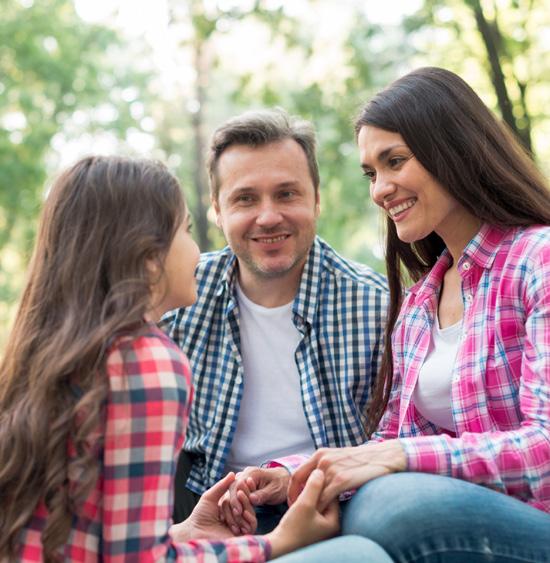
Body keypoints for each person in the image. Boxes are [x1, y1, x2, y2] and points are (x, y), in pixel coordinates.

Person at [0, 155, 391, 562]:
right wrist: (279, 542)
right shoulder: (146, 363)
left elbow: (98, 540)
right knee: (361, 555)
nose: (196, 251)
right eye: (185, 231)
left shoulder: (53, 351)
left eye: (286, 194)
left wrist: (187, 531)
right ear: (148, 254)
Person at [284, 67, 550, 561]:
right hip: (463, 526)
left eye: (395, 161)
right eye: (371, 173)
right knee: (352, 531)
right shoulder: (419, 304)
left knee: (397, 509)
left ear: (453, 149)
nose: (379, 190)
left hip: (535, 521)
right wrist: (291, 477)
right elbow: (393, 439)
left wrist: (399, 457)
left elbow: (545, 448)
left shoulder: (539, 260)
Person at [161, 108, 389, 532]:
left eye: (286, 194)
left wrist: (295, 476)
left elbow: (397, 443)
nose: (268, 217)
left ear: (316, 200)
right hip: (201, 504)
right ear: (217, 210)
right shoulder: (179, 295)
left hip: (330, 508)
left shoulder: (377, 307)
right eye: (246, 199)